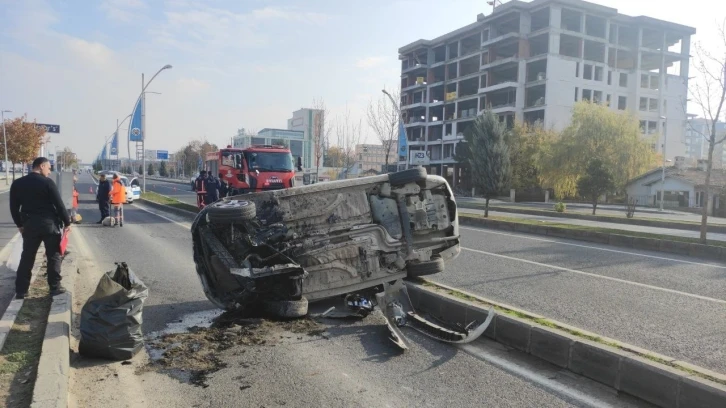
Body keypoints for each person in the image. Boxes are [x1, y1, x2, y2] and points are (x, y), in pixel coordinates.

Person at [9, 157, 71, 299]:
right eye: (49, 168)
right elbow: (60, 206)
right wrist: (67, 223)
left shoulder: (18, 184)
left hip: (29, 225)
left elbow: (14, 208)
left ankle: (21, 291)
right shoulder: (48, 183)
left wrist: (20, 225)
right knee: (53, 256)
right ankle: (54, 288)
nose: (49, 172)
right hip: (49, 225)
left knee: (27, 257)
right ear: (41, 166)